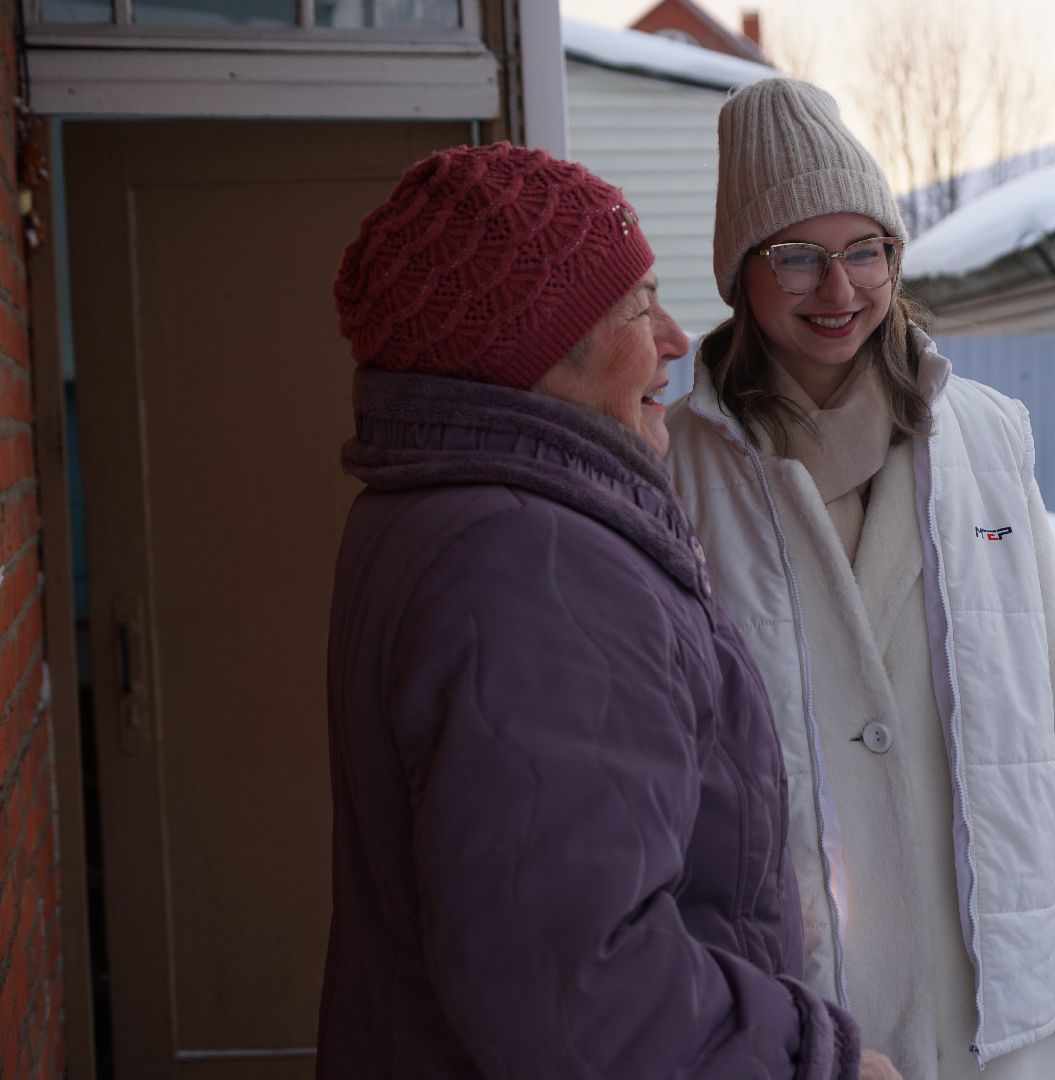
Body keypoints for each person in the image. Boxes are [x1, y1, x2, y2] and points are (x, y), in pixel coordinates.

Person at [318, 141, 895, 1079]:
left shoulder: (448, 513)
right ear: (533, 347)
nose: (674, 338)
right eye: (637, 307)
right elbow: (577, 984)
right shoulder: (530, 562)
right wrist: (810, 1063)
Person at [664, 79, 1055, 1080]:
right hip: (804, 957)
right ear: (739, 275)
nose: (839, 288)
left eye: (867, 251)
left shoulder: (980, 435)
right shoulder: (682, 467)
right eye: (796, 255)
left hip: (990, 939)